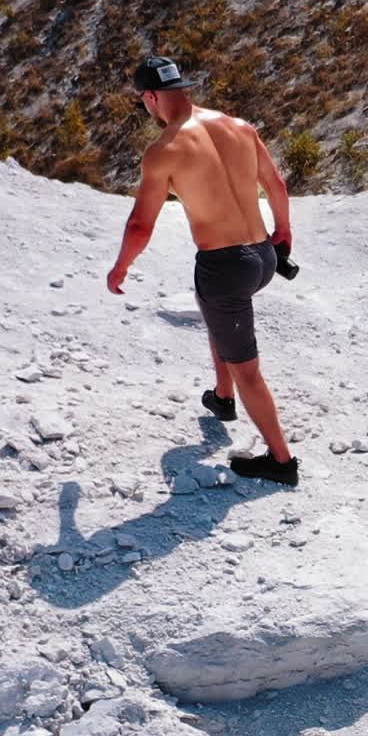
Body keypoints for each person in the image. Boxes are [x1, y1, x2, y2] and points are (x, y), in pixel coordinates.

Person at [106, 55, 299, 487]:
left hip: (226, 267)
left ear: (151, 97)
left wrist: (121, 266)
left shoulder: (164, 151)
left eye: (143, 101)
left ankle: (282, 462)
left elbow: (141, 223)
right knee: (208, 302)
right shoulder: (240, 127)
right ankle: (222, 396)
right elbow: (276, 185)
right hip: (265, 255)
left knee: (247, 365)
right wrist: (282, 231)